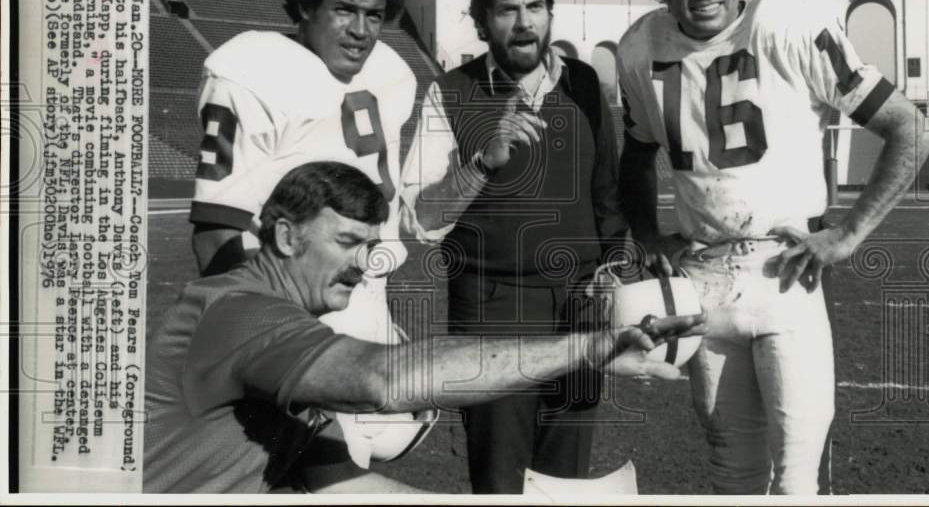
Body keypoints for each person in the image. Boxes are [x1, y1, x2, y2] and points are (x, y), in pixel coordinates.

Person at [616, 0, 929, 495]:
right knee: (732, 478)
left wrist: (847, 233)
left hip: (785, 278)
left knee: (795, 484)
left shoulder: (784, 20)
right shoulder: (640, 50)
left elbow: (913, 130)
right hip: (705, 281)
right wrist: (648, 235)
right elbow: (634, 156)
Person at [144, 161, 706, 493]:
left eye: (369, 246)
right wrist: (590, 347)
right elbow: (386, 381)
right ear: (287, 238)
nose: (363, 264)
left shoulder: (291, 338)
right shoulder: (240, 313)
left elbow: (343, 485)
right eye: (346, 243)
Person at [400, 0, 631, 493]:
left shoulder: (586, 88)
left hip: (580, 311)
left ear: (550, 12)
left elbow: (609, 206)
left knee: (565, 487)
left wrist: (614, 270)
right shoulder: (450, 94)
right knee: (502, 486)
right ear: (482, 23)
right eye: (507, 9)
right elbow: (421, 218)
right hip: (491, 314)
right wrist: (483, 161)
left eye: (535, 7)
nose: (524, 23)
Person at [187, 0, 416, 340]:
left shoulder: (393, 73)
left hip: (368, 309)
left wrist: (384, 321)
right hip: (289, 312)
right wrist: (258, 344)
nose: (361, 31)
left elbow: (384, 228)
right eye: (344, 10)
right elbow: (216, 232)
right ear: (307, 5)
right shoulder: (248, 72)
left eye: (374, 15)